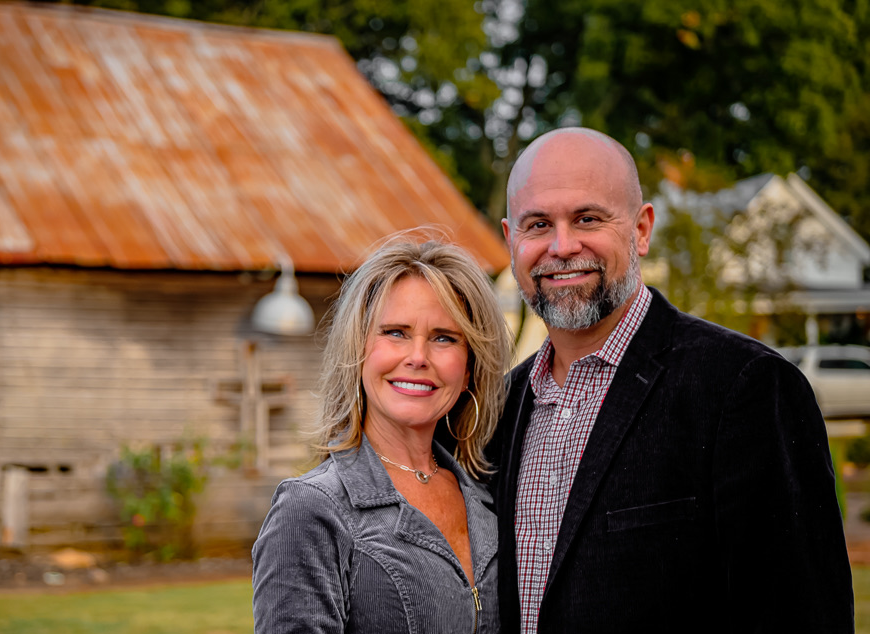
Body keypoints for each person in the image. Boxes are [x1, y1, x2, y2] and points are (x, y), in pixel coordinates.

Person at [492, 127, 854, 632]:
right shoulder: (497, 410)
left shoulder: (746, 388)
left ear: (641, 229)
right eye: (537, 224)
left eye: (588, 218)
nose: (562, 245)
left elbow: (802, 613)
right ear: (511, 241)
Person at [252, 237, 512, 633]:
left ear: (470, 371)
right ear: (358, 350)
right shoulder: (311, 510)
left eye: (444, 337)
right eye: (395, 332)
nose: (418, 356)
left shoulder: (489, 497)